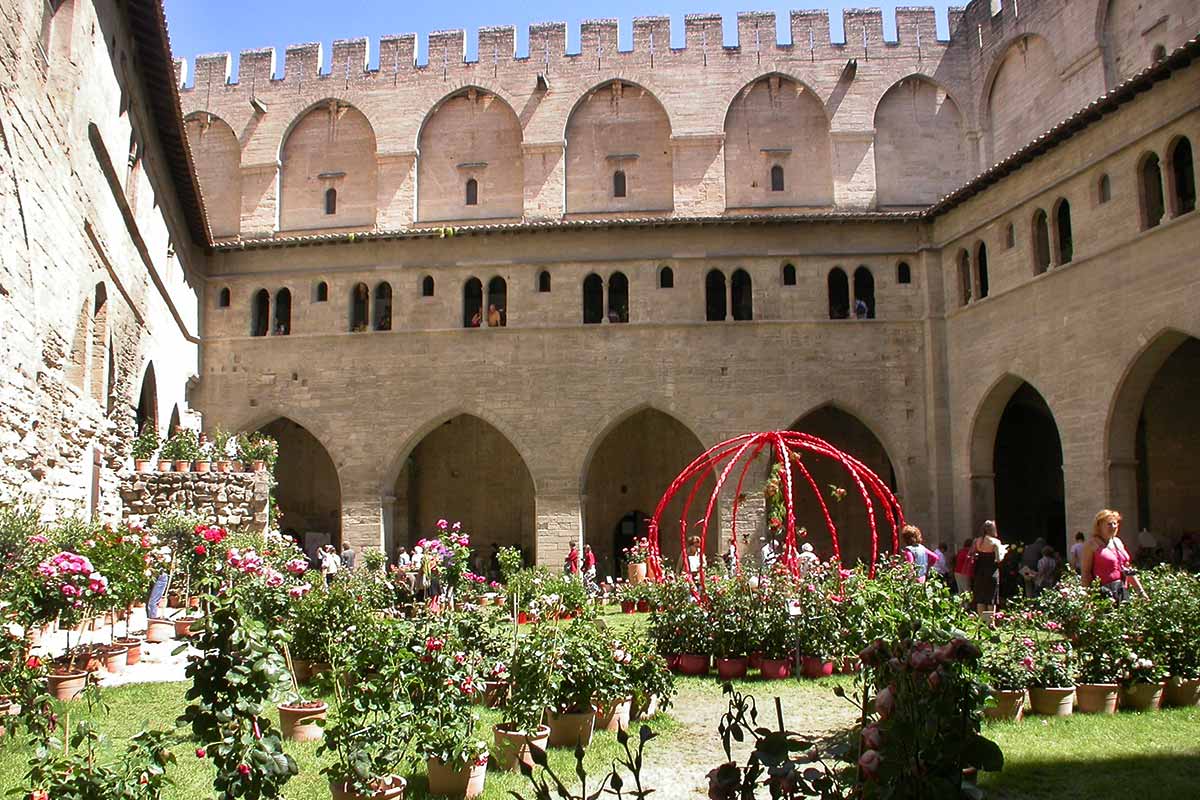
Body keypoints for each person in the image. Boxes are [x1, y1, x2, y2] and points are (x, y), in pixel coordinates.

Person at [1081, 509, 1146, 601]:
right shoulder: (1091, 544)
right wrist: (1087, 599)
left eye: (1115, 523)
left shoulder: (1117, 542)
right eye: (1109, 524)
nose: (1113, 526)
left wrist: (1141, 592)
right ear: (1099, 526)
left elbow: (1127, 569)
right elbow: (1086, 573)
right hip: (1103, 594)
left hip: (1122, 591)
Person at [971, 520, 1007, 619]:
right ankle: (990, 622)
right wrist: (1004, 552)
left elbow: (972, 555)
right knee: (991, 598)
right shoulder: (995, 542)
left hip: (980, 571)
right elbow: (999, 559)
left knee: (980, 598)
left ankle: (981, 621)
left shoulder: (977, 541)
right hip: (992, 571)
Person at [146, 544, 172, 619]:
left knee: (152, 602)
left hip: (160, 577)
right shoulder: (152, 552)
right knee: (149, 602)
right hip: (153, 576)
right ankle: (150, 621)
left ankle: (152, 621)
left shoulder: (163, 552)